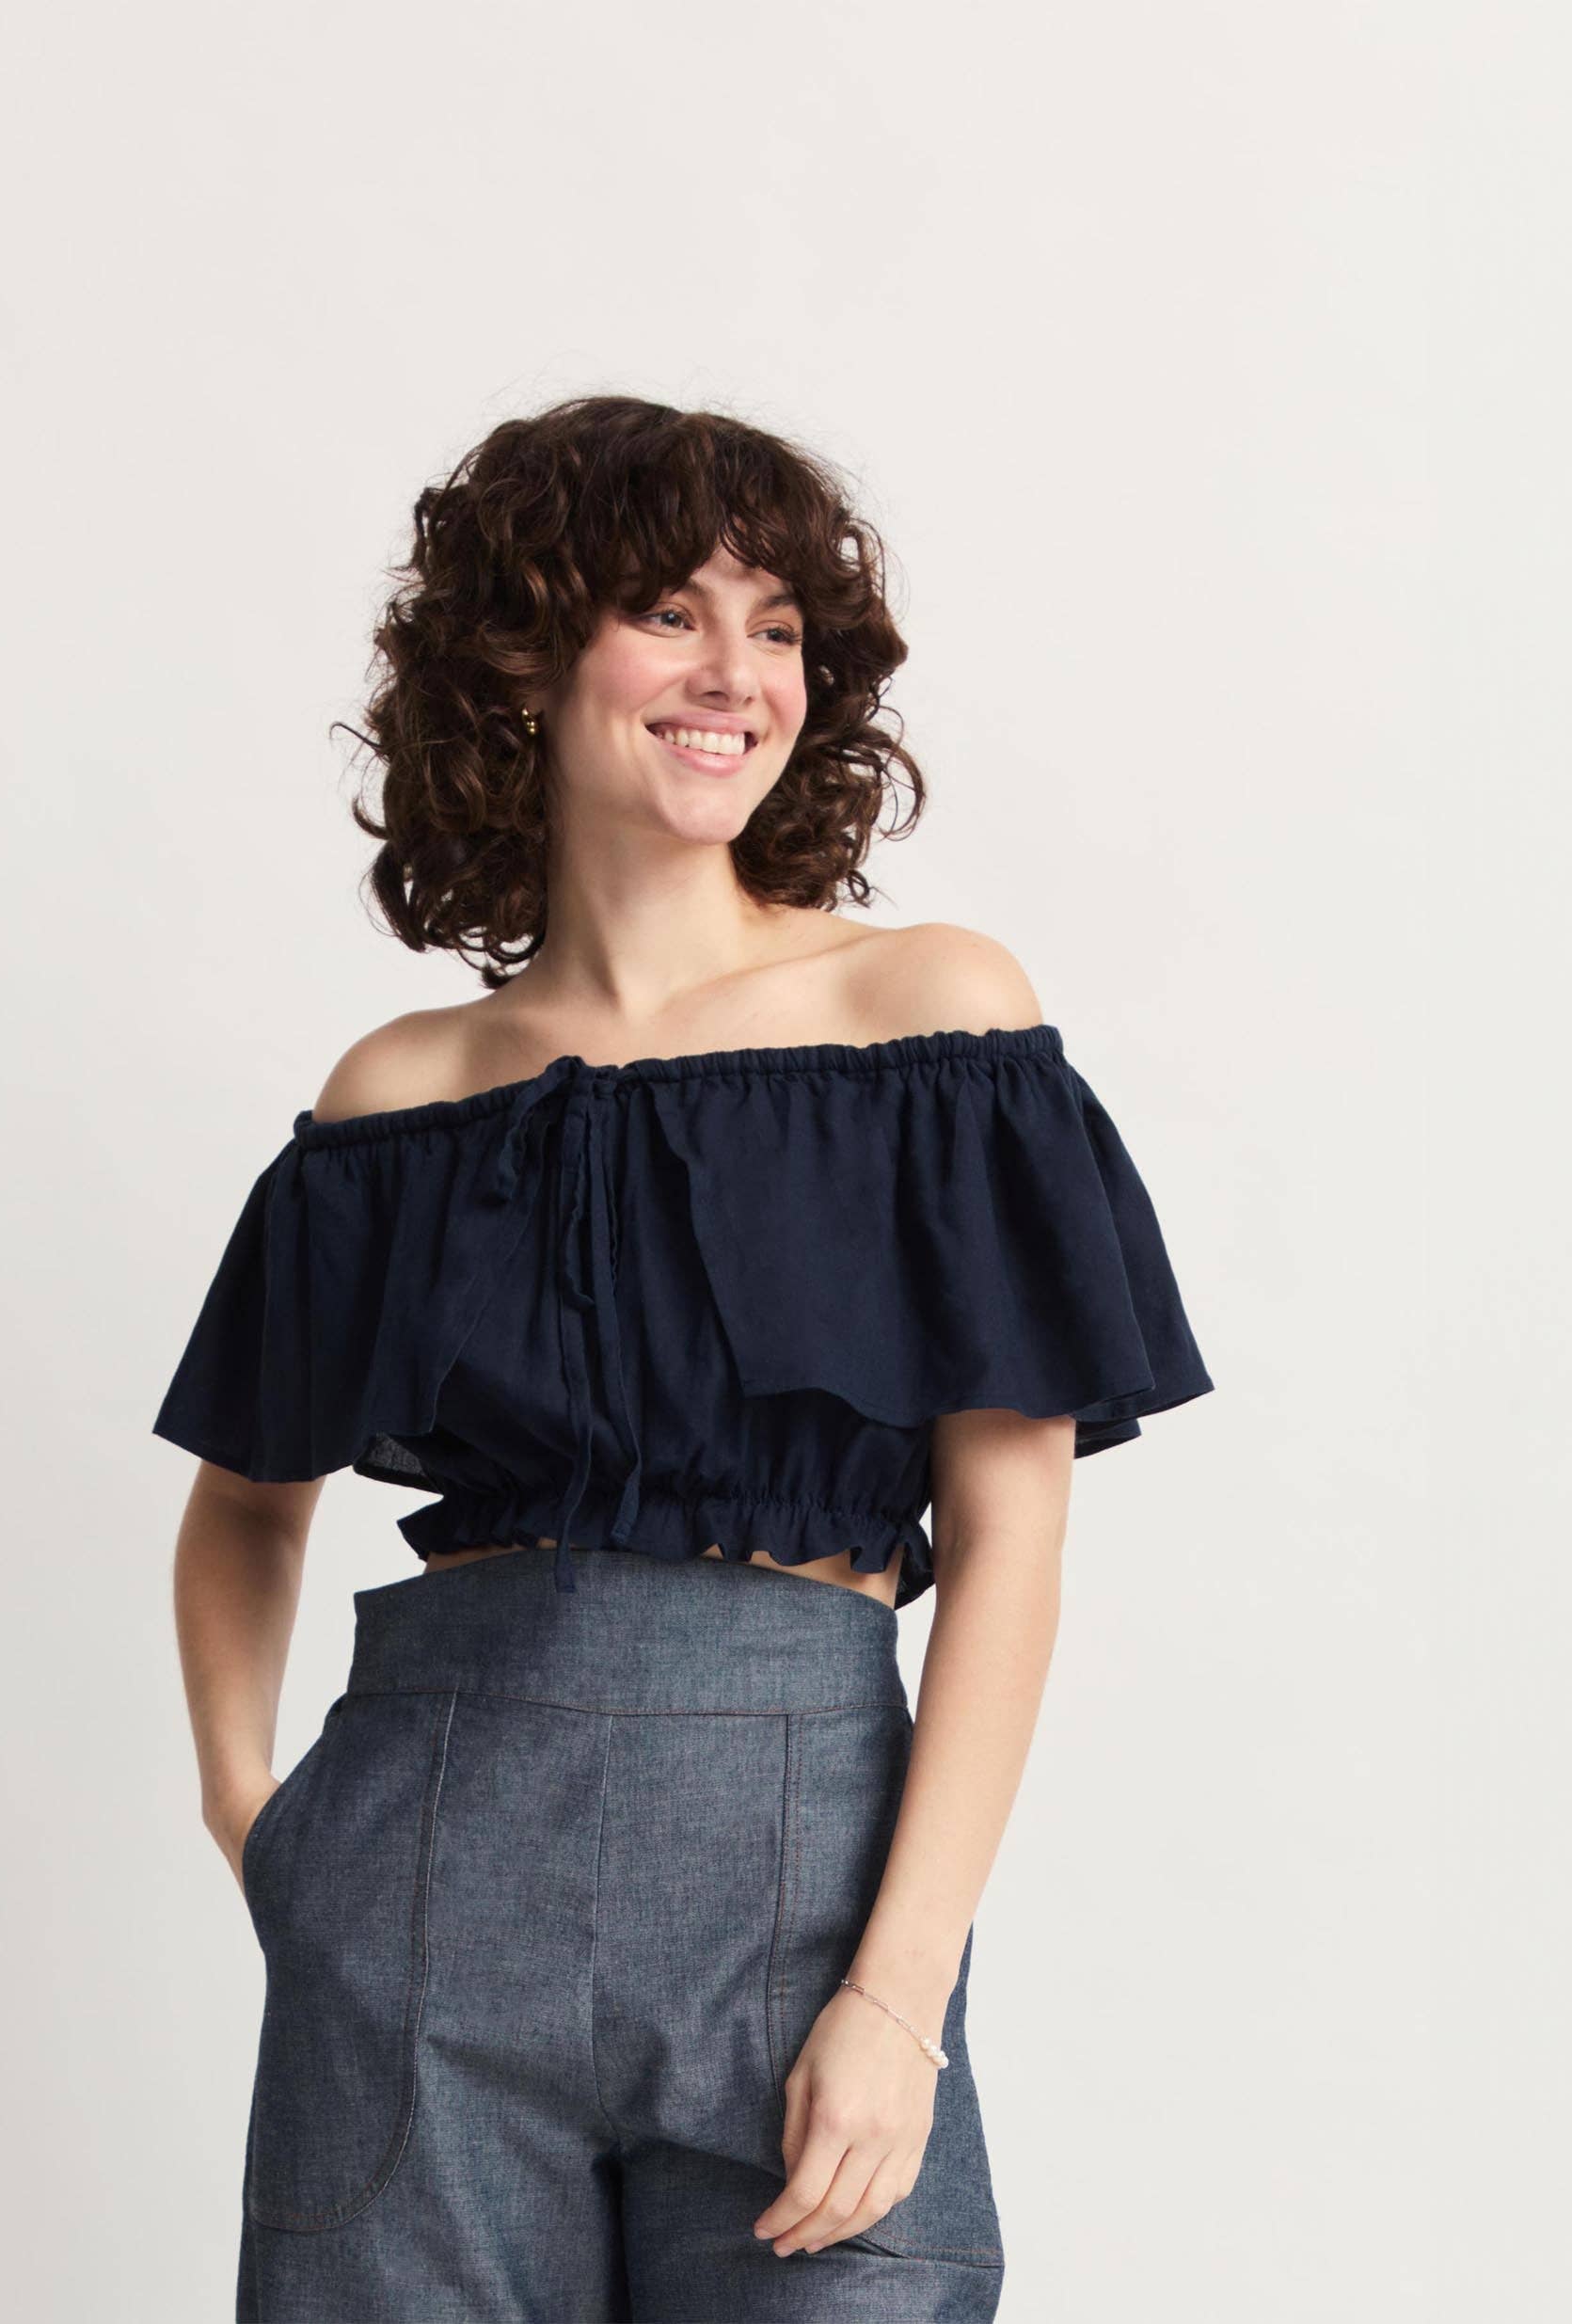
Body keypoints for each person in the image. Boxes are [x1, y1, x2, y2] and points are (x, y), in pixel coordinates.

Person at [153, 393, 1215, 2323]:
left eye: (777, 625)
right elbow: (245, 1502)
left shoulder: (925, 1024)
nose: (737, 672)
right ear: (522, 657)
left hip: (802, 1890)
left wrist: (898, 1991)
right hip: (419, 1874)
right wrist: (261, 1824)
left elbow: (1012, 1538)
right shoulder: (400, 1096)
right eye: (668, 610)